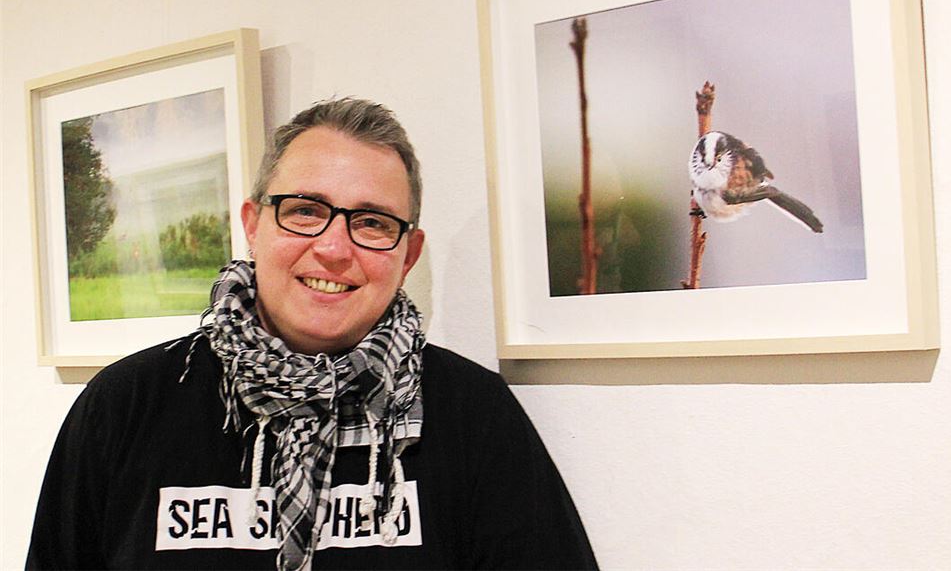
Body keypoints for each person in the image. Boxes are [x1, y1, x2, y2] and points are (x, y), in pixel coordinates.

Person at [26, 98, 598, 570]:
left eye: (372, 222)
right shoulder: (126, 406)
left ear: (407, 254)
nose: (333, 247)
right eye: (304, 210)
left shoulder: (475, 415)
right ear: (254, 225)